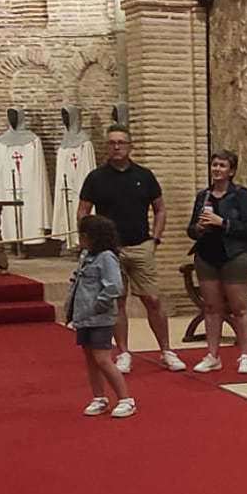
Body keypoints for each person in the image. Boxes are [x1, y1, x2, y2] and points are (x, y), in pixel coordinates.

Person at [75, 126, 182, 373]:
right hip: (109, 252)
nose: (116, 147)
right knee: (118, 302)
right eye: (112, 142)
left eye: (121, 142)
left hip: (141, 246)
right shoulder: (96, 177)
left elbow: (160, 209)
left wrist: (155, 239)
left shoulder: (144, 175)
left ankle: (166, 350)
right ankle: (123, 352)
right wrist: (88, 241)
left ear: (130, 146)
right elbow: (83, 211)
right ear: (106, 146)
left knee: (152, 299)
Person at [184, 148, 247, 374]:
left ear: (232, 171)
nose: (217, 169)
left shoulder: (241, 196)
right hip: (207, 255)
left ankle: (245, 355)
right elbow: (190, 228)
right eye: (214, 165)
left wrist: (222, 222)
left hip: (234, 255)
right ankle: (212, 355)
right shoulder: (203, 196)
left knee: (239, 307)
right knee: (211, 307)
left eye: (222, 166)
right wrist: (197, 228)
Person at [69, 215, 136, 418]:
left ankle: (126, 399)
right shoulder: (86, 256)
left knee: (103, 358)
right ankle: (99, 397)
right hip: (84, 316)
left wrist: (99, 304)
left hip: (99, 317)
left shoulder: (106, 257)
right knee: (90, 358)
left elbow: (114, 286)